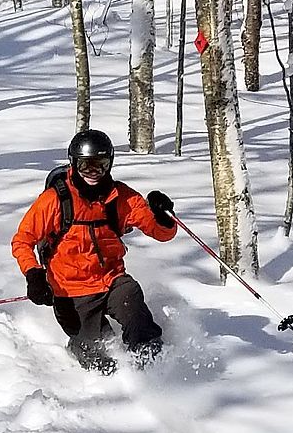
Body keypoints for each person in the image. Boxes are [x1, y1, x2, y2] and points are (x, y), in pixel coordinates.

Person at [11, 129, 176, 372]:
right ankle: (86, 352)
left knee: (133, 302)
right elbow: (23, 240)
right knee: (100, 354)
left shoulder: (120, 197)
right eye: (86, 166)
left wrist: (162, 217)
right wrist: (34, 274)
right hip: (72, 291)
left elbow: (161, 233)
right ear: (73, 164)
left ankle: (152, 365)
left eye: (100, 166)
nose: (93, 173)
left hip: (111, 281)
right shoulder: (55, 200)